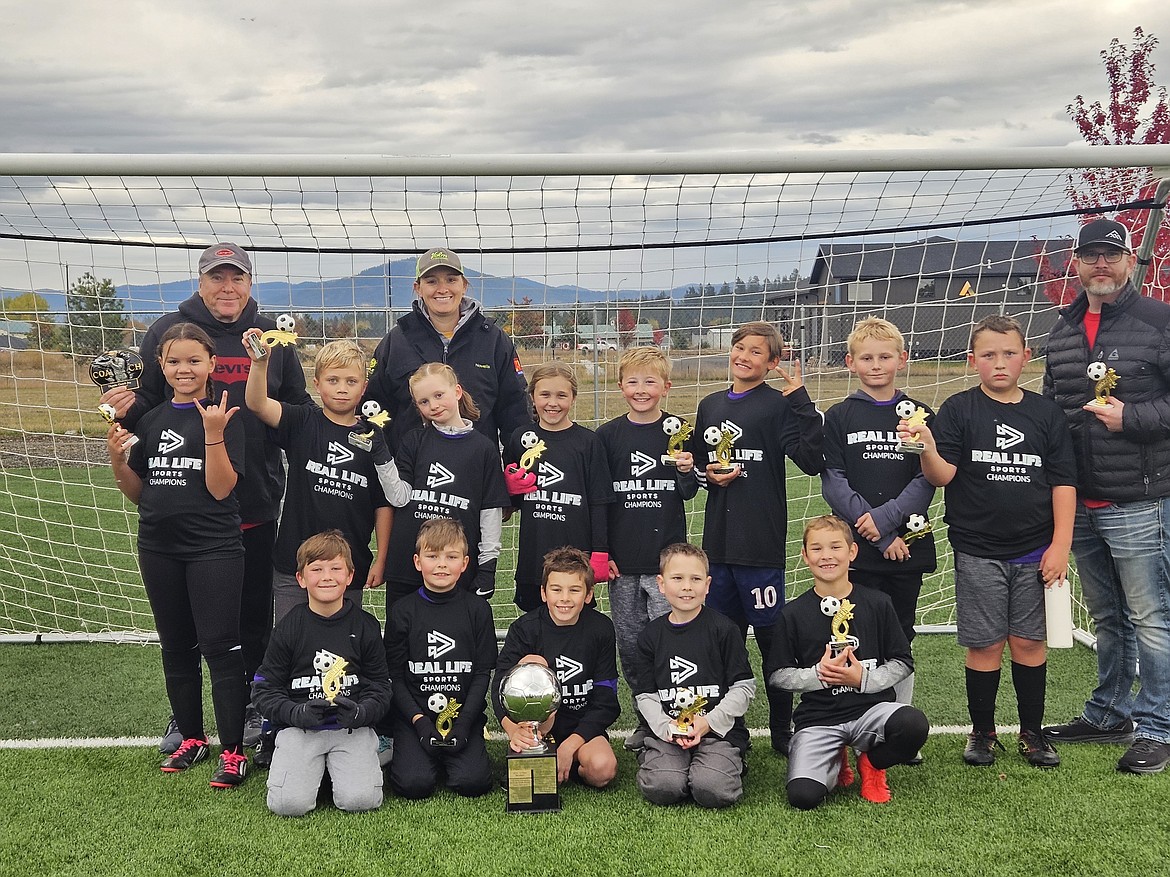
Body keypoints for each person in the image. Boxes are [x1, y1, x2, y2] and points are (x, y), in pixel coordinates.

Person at [99, 242, 312, 752]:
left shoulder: (271, 340)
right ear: (201, 283)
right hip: (185, 505)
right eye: (217, 278)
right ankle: (186, 716)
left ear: (249, 284)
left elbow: (297, 408)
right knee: (189, 621)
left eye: (236, 278)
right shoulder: (168, 332)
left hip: (254, 498)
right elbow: (152, 405)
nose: (227, 288)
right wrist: (122, 406)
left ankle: (256, 711)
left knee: (252, 617)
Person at [908, 314, 1076, 768]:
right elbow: (942, 476)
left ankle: (1032, 733)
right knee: (984, 644)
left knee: (1027, 642)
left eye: (1008, 353)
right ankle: (982, 733)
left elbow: (1063, 482)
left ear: (1026, 357)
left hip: (1035, 550)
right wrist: (927, 447)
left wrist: (1060, 545)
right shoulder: (960, 409)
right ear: (972, 359)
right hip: (978, 548)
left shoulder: (1045, 414)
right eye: (988, 355)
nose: (999, 363)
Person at [1041, 218, 1170, 775]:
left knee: (1151, 617)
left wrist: (1132, 418)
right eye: (1091, 255)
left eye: (1110, 255)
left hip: (1139, 499)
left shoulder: (1159, 321)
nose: (1101, 265)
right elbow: (1053, 414)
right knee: (1108, 617)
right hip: (1081, 504)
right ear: (1077, 263)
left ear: (1128, 262)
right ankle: (1109, 712)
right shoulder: (1062, 330)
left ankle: (1158, 726)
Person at [106, 322, 249, 789]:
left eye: (193, 360)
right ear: (161, 367)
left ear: (211, 363)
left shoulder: (226, 412)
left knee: (220, 648)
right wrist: (116, 459)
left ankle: (233, 750)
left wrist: (211, 433)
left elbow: (221, 487)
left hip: (213, 548)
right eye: (173, 361)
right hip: (158, 546)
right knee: (175, 646)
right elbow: (138, 494)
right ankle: (191, 736)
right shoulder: (150, 420)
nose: (183, 368)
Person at [690, 320, 823, 755]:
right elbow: (696, 468)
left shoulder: (778, 405)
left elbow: (810, 459)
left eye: (756, 352)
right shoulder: (709, 405)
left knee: (773, 644)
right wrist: (706, 475)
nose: (744, 357)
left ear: (773, 362)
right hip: (718, 550)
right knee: (723, 644)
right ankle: (732, 727)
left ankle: (784, 730)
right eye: (739, 348)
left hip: (760, 549)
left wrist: (801, 400)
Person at [821, 317, 936, 749]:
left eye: (884, 356)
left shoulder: (919, 415)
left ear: (901, 359)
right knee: (854, 631)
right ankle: (855, 725)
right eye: (866, 357)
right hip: (859, 546)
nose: (876, 364)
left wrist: (888, 520)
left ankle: (900, 731)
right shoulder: (840, 415)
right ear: (850, 362)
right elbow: (833, 479)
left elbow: (926, 478)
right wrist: (873, 532)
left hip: (906, 546)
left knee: (899, 634)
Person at [768, 516, 930, 809]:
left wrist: (862, 681)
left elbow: (903, 662)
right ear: (804, 556)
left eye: (835, 547)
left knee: (913, 725)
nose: (826, 555)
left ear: (852, 552)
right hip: (819, 717)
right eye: (816, 549)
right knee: (803, 796)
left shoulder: (878, 603)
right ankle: (835, 757)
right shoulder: (791, 613)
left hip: (871, 711)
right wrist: (818, 675)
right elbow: (778, 675)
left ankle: (871, 761)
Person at [244, 336, 406, 621]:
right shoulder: (302, 421)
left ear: (363, 388)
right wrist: (260, 364)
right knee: (291, 646)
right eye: (333, 381)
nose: (342, 389)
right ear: (317, 384)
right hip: (294, 564)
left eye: (351, 382)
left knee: (342, 651)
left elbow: (383, 503)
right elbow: (257, 404)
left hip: (348, 566)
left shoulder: (373, 437)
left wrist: (382, 558)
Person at [596, 346, 699, 752]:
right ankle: (646, 719)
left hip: (667, 565)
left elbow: (689, 492)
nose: (641, 389)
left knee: (669, 642)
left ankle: (678, 716)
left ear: (666, 386)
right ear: (621, 386)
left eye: (650, 381)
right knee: (632, 644)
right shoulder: (607, 436)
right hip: (624, 566)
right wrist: (604, 552)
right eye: (633, 381)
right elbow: (601, 499)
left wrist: (688, 471)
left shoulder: (679, 430)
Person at [251, 531, 392, 817]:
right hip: (300, 729)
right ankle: (314, 768)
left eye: (335, 568)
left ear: (350, 576)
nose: (326, 576)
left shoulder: (366, 626)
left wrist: (361, 713)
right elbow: (263, 689)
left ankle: (355, 760)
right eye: (316, 569)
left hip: (351, 728)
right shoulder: (289, 627)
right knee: (288, 806)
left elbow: (381, 686)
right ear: (301, 578)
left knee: (360, 800)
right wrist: (295, 712)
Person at [364, 247, 531, 453]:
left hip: (476, 470)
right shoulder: (396, 341)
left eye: (451, 279)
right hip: (413, 472)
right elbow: (373, 408)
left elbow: (515, 410)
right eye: (432, 281)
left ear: (464, 285)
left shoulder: (494, 340)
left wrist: (518, 467)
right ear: (418, 288)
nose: (442, 289)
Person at [631, 542, 755, 809]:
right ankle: (662, 759)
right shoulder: (650, 636)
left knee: (712, 790)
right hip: (669, 732)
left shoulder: (724, 630)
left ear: (707, 585)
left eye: (695, 579)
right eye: (677, 578)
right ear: (661, 584)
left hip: (717, 732)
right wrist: (667, 727)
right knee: (664, 787)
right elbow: (645, 695)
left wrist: (708, 722)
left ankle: (726, 763)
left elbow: (744, 687)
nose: (687, 586)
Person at [384, 518, 497, 799]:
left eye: (451, 556)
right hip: (416, 718)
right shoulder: (402, 611)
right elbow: (395, 676)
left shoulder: (478, 610)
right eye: (432, 556)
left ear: (465, 562)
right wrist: (419, 721)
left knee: (474, 783)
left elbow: (483, 672)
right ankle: (413, 751)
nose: (442, 564)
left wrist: (465, 721)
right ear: (417, 561)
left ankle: (457, 753)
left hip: (462, 717)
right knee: (414, 785)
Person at [382, 363, 511, 609]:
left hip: (454, 569)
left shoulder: (483, 449)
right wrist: (380, 455)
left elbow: (490, 513)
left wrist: (488, 565)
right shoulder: (413, 441)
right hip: (407, 568)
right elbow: (398, 498)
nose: (433, 405)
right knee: (401, 643)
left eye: (439, 395)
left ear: (458, 391)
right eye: (424, 402)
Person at [494, 547, 620, 788]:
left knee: (602, 769)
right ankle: (537, 749)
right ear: (543, 593)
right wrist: (512, 730)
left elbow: (607, 700)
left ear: (588, 594)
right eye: (556, 589)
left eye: (574, 590)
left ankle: (566, 762)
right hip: (536, 725)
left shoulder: (601, 629)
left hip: (580, 727)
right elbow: (499, 685)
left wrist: (570, 745)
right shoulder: (525, 629)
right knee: (535, 664)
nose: (564, 598)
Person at [503, 362, 615, 612]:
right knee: (534, 625)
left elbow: (599, 501)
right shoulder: (520, 439)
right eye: (545, 394)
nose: (552, 403)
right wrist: (507, 489)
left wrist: (600, 552)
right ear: (532, 396)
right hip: (534, 558)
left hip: (576, 559)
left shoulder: (588, 442)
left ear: (573, 398)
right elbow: (513, 501)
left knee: (574, 627)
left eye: (561, 395)